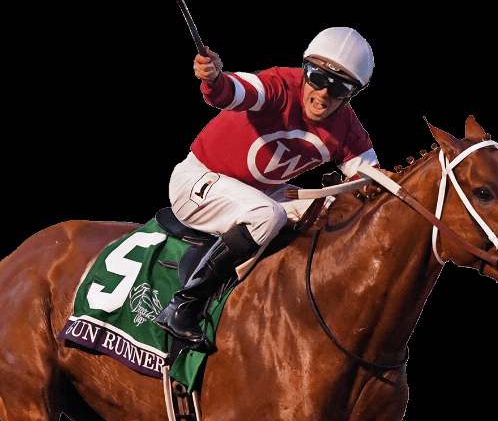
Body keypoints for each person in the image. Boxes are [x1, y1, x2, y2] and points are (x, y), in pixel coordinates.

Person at [154, 26, 382, 352]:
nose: (323, 94)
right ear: (305, 70)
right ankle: (183, 306)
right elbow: (236, 91)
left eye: (340, 87)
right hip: (197, 181)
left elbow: (374, 179)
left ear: (352, 93)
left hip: (260, 190)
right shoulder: (279, 86)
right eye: (318, 77)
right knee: (267, 215)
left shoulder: (346, 126)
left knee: (336, 213)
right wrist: (215, 78)